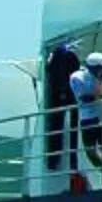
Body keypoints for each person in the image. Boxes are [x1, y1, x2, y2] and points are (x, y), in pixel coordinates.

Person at [68, 52, 102, 175]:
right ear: (95, 68)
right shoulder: (77, 77)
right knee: (91, 151)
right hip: (88, 118)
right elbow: (84, 98)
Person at [41, 42, 80, 175]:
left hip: (59, 96)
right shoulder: (66, 53)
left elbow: (49, 69)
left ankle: (54, 160)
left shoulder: (58, 53)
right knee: (68, 129)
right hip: (68, 95)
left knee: (57, 128)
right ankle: (67, 161)